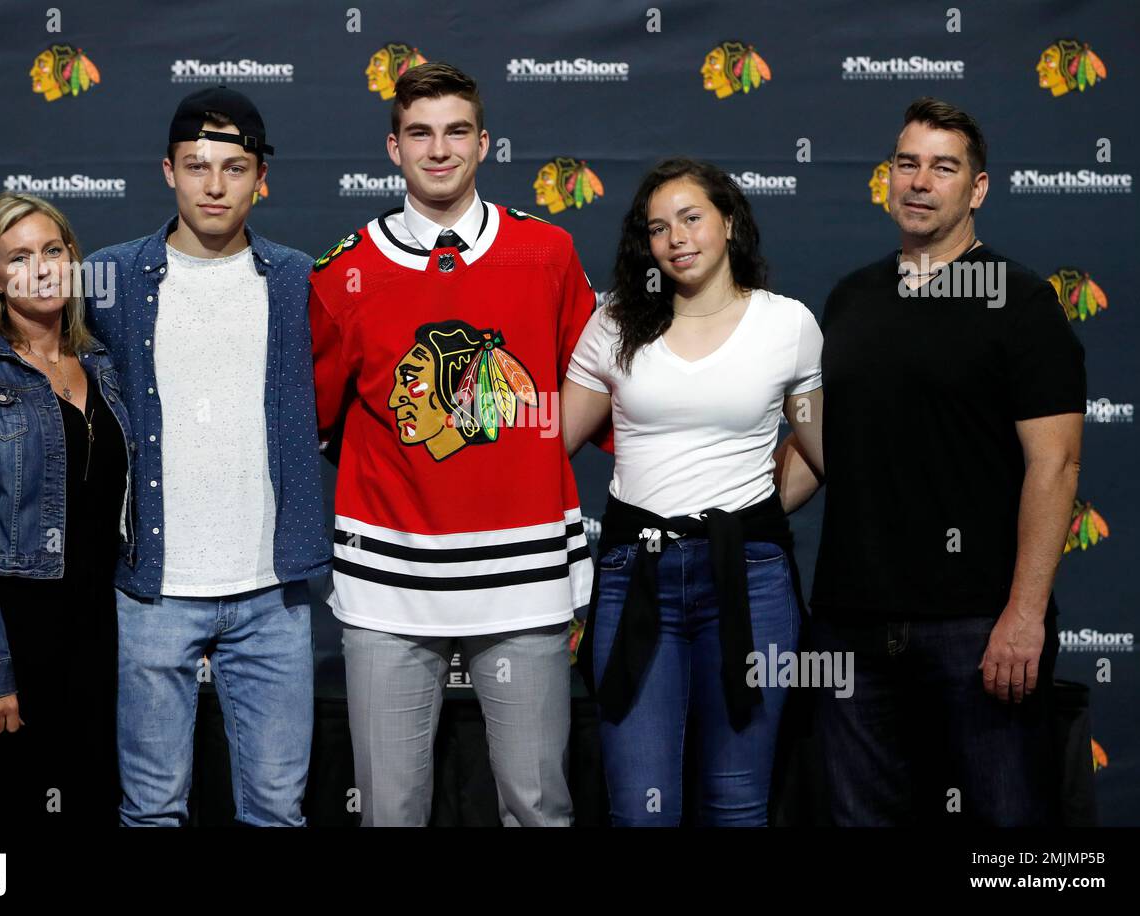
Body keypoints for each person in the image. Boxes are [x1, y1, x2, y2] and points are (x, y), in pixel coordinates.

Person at [310, 62, 596, 826]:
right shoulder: (344, 273)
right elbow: (319, 417)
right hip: (388, 588)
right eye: (420, 133)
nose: (439, 150)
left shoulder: (547, 253)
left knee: (537, 806)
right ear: (393, 147)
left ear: (485, 144)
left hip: (523, 575)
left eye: (456, 131)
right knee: (391, 812)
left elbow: (595, 394)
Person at [798, 97, 1086, 825]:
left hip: (977, 627)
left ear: (977, 188)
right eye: (907, 163)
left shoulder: (1022, 303)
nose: (920, 181)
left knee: (1007, 835)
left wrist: (1023, 616)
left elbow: (1056, 467)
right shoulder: (850, 299)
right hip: (851, 626)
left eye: (943, 167)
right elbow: (820, 451)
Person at [82, 86, 331, 827]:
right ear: (168, 171)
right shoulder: (110, 278)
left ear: (262, 178)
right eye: (196, 166)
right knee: (153, 810)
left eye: (232, 167)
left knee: (277, 812)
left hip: (274, 589)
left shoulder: (297, 279)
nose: (214, 185)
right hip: (152, 587)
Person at [562, 158, 824, 826]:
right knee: (641, 811)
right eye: (657, 227)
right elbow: (550, 442)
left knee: (737, 807)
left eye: (691, 217)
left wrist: (750, 517)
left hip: (751, 581)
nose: (676, 237)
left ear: (729, 222)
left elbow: (824, 453)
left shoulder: (787, 324)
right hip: (632, 575)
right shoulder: (614, 324)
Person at [0, 192, 129, 826]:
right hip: (10, 632)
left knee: (90, 805)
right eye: (18, 257)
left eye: (52, 250)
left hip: (97, 637)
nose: (40, 267)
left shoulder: (105, 362)